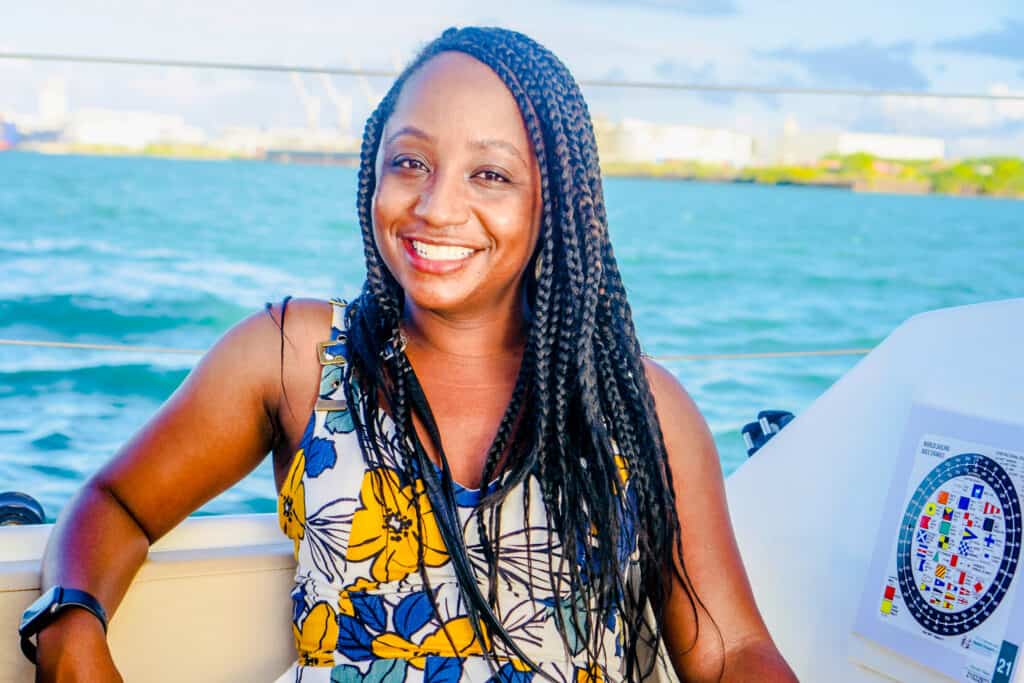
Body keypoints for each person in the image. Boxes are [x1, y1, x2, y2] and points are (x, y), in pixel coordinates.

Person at [31, 26, 796, 682]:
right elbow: (116, 502)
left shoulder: (642, 409)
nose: (434, 207)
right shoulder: (295, 357)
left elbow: (730, 651)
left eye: (489, 174)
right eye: (410, 162)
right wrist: (71, 628)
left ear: (553, 202)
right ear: (374, 168)